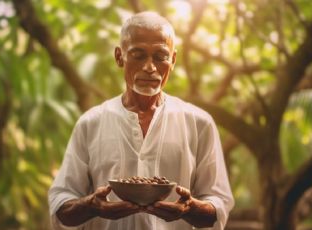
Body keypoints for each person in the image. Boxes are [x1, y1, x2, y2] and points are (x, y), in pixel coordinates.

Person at [48, 11, 234, 230]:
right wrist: (93, 206)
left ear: (173, 60)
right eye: (138, 55)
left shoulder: (199, 123)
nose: (150, 67)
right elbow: (60, 205)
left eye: (160, 56)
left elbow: (219, 205)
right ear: (119, 57)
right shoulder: (91, 123)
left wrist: (190, 208)